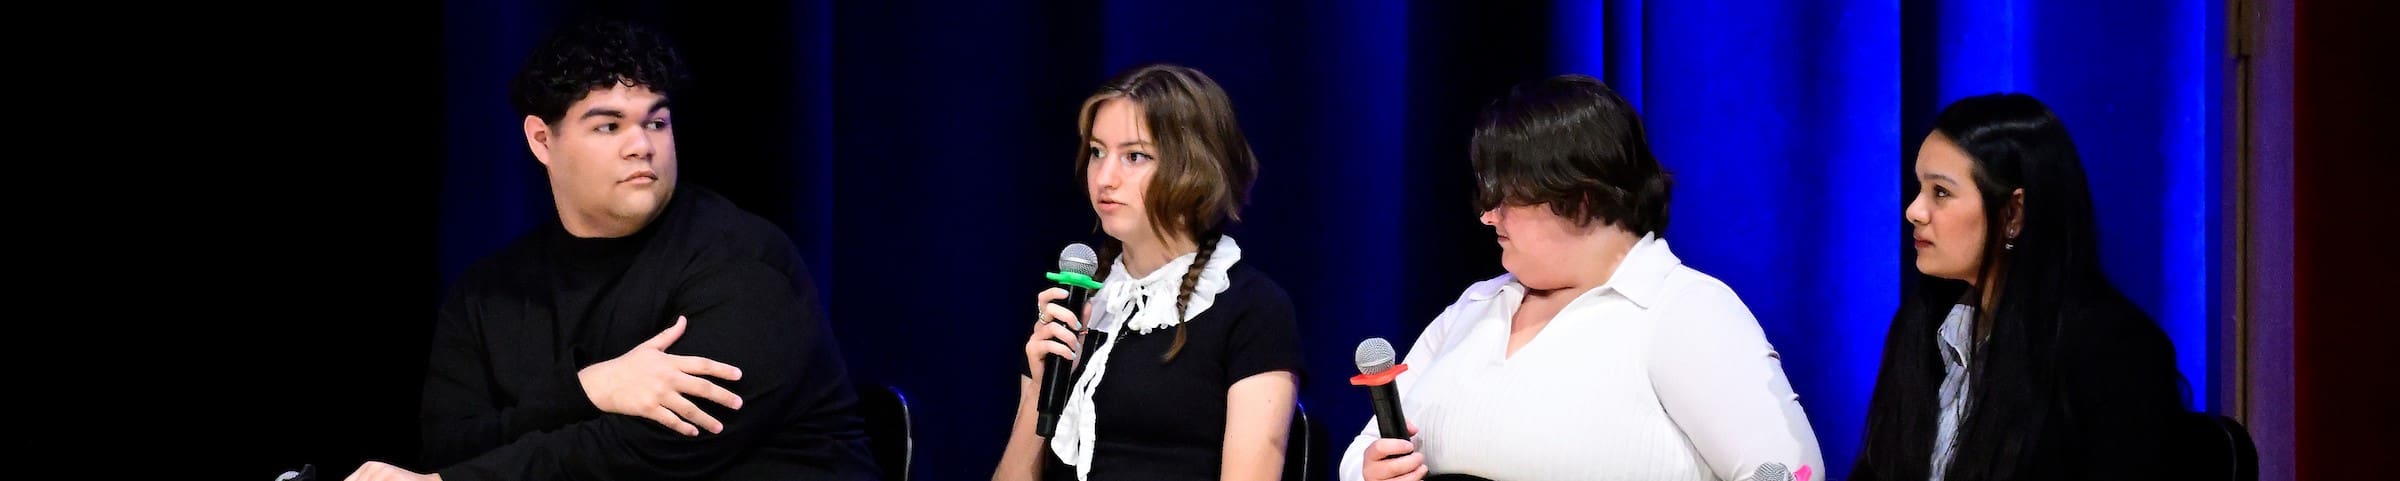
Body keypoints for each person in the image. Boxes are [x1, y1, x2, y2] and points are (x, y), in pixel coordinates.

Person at [346, 17, 876, 481]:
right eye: (608, 125)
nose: (641, 144)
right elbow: (447, 448)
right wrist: (590, 390)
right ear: (541, 141)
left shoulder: (740, 260)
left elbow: (650, 454)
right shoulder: (486, 294)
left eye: (656, 122)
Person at [1338, 74, 1824, 481]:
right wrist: (1369, 470)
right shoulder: (1477, 306)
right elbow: (1362, 451)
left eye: (1506, 198)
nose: (1489, 217)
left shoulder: (1679, 309)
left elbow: (1784, 468)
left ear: (1580, 197)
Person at [991, 63, 1306, 481]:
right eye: (1098, 152)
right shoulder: (1075, 300)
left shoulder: (1253, 309)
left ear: (1195, 170)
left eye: (1134, 156)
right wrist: (1037, 389)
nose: (1104, 178)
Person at [1849, 93, 2187, 481]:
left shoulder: (2113, 348)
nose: (1914, 211)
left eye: (1940, 192)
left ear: (2013, 214)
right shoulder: (1925, 322)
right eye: (1919, 188)